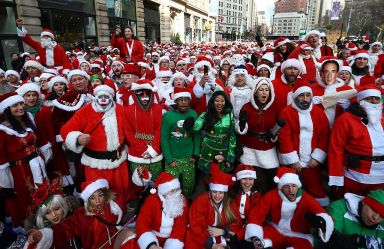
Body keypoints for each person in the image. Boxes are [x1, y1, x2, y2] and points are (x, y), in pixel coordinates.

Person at [26, 178, 144, 249]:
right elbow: (64, 229)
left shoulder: (112, 202)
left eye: (100, 195)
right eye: (92, 198)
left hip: (115, 242)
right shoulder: (81, 216)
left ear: (105, 194)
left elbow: (132, 191)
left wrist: (139, 178)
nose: (97, 201)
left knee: (129, 234)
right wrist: (42, 235)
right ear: (88, 200)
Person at [245, 167, 334, 249]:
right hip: (275, 229)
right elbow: (256, 214)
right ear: (281, 188)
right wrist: (255, 234)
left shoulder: (306, 198)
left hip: (298, 235)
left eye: (294, 186)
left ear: (298, 186)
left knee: (306, 245)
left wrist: (321, 221)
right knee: (256, 241)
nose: (291, 190)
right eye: (287, 186)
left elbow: (320, 211)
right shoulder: (272, 195)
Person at [0, 92, 51, 227]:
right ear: (7, 109)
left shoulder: (28, 118)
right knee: (27, 198)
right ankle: (32, 226)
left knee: (44, 191)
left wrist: (45, 154)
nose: (20, 107)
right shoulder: (3, 129)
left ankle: (48, 218)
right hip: (19, 171)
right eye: (15, 105)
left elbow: (39, 138)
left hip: (37, 163)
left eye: (21, 103)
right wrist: (5, 180)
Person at [278, 81, 330, 206]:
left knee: (316, 188)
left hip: (312, 161)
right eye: (302, 95)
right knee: (288, 187)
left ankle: (319, 212)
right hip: (291, 162)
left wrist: (317, 157)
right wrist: (293, 160)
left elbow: (325, 136)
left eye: (308, 95)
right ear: (295, 96)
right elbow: (284, 138)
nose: (305, 99)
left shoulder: (319, 113)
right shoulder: (286, 112)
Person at [328, 84, 384, 197]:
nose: (373, 101)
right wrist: (336, 178)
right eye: (368, 98)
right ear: (360, 101)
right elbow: (335, 149)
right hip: (354, 176)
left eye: (376, 98)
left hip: (381, 178)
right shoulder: (345, 120)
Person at [236, 78, 280, 192]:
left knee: (272, 178)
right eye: (261, 90)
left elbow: (277, 129)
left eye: (267, 90)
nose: (264, 92)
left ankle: (269, 199)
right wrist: (241, 125)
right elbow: (241, 130)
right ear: (255, 92)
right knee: (248, 178)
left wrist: (273, 134)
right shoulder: (246, 107)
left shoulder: (275, 108)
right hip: (249, 148)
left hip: (267, 148)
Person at [185, 163, 244, 249]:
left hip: (221, 235)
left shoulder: (229, 203)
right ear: (210, 190)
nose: (217, 196)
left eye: (220, 192)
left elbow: (236, 223)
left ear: (225, 192)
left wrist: (223, 231)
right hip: (202, 236)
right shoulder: (201, 200)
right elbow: (195, 225)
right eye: (214, 192)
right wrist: (210, 244)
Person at [161, 87, 200, 197]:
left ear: (189, 101)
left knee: (189, 186)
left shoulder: (193, 114)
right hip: (173, 159)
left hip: (189, 158)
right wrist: (169, 159)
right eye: (180, 99)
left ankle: (186, 204)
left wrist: (196, 153)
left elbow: (196, 135)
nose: (183, 102)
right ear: (176, 101)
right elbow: (164, 138)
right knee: (172, 188)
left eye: (186, 99)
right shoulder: (168, 116)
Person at [136, 172, 189, 249]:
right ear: (163, 191)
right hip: (153, 236)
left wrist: (172, 246)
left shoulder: (182, 200)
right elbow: (142, 222)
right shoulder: (151, 200)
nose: (175, 193)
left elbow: (180, 226)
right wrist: (151, 245)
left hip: (174, 237)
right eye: (171, 190)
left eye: (176, 189)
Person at [124, 79, 163, 180]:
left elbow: (159, 130)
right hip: (137, 155)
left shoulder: (158, 109)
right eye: (141, 95)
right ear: (135, 95)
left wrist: (153, 150)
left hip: (155, 155)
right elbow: (129, 133)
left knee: (156, 182)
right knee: (139, 183)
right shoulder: (128, 110)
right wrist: (143, 150)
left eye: (147, 95)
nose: (145, 98)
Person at [193, 90, 236, 178]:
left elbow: (232, 136)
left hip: (223, 150)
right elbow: (195, 129)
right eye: (217, 100)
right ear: (212, 102)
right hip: (208, 149)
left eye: (222, 101)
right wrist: (201, 119)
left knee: (221, 176)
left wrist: (230, 155)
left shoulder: (230, 116)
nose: (219, 103)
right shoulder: (206, 115)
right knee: (208, 176)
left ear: (226, 102)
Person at [311, 57, 355, 127]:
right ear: (321, 73)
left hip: (339, 129)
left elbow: (356, 117)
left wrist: (349, 107)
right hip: (317, 129)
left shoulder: (347, 89)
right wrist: (309, 104)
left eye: (333, 71)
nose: (329, 75)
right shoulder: (311, 89)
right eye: (326, 71)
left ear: (337, 73)